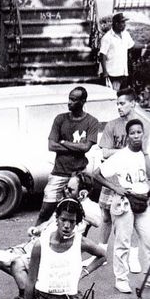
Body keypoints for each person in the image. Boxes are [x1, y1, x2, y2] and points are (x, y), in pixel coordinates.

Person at [93, 118, 150, 294]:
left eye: (139, 132)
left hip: (142, 202)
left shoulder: (145, 154)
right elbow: (96, 174)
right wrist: (115, 187)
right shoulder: (121, 156)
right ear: (128, 136)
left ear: (143, 134)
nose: (136, 136)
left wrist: (146, 153)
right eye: (132, 133)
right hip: (125, 202)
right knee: (123, 243)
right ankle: (121, 279)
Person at [95, 87, 143, 274]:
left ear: (133, 103)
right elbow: (105, 152)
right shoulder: (112, 125)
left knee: (134, 218)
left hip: (132, 179)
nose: (119, 107)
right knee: (106, 216)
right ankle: (101, 252)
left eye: (122, 103)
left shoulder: (140, 126)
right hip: (112, 178)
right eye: (117, 104)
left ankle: (133, 257)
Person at [35, 86, 99, 225]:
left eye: (74, 100)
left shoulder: (91, 121)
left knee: (81, 213)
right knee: (45, 210)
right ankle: (34, 238)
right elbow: (51, 145)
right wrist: (76, 148)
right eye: (69, 99)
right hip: (59, 172)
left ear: (83, 102)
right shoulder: (60, 119)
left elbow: (86, 147)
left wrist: (63, 142)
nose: (69, 102)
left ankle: (77, 241)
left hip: (79, 174)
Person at [99, 13, 135, 90]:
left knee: (123, 97)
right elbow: (102, 55)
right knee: (114, 96)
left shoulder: (126, 34)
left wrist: (147, 46)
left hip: (124, 72)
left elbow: (131, 46)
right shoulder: (107, 37)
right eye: (122, 22)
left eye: (124, 22)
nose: (124, 25)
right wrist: (105, 72)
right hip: (113, 73)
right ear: (116, 23)